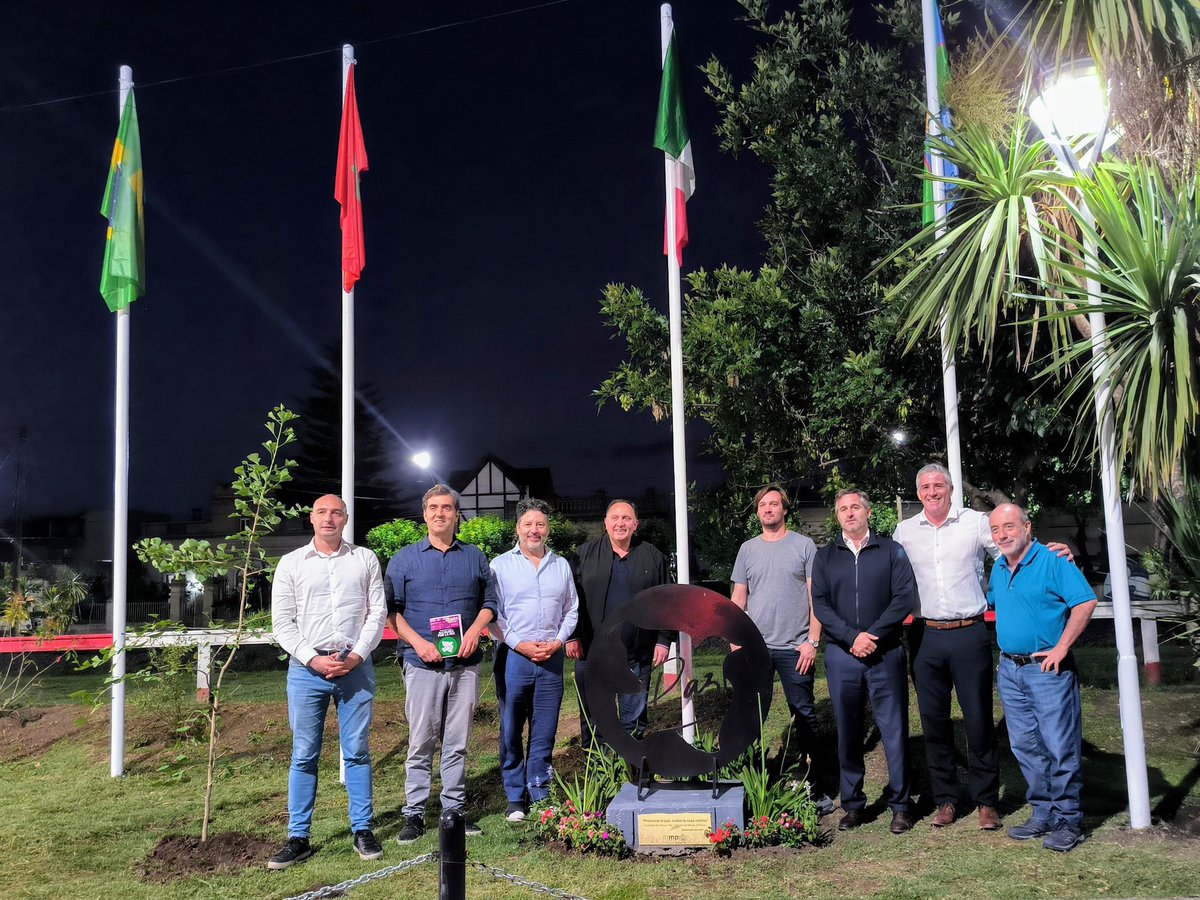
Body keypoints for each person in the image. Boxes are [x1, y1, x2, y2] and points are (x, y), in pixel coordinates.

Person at [268, 494, 388, 870]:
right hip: (307, 671)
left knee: (357, 752)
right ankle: (298, 837)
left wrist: (356, 656)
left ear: (345, 518)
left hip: (356, 668)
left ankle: (362, 829)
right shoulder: (291, 563)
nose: (329, 518)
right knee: (304, 754)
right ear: (312, 518)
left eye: (336, 512)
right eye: (322, 512)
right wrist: (313, 659)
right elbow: (282, 622)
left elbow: (377, 612)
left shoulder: (365, 559)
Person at [892, 463, 1003, 831]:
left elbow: (1009, 554)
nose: (932, 492)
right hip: (925, 636)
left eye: (939, 485)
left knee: (979, 719)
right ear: (918, 492)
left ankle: (986, 801)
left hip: (970, 632)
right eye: (925, 486)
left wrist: (1049, 555)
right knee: (934, 721)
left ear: (951, 489)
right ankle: (945, 799)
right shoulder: (905, 531)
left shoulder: (976, 522)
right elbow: (889, 576)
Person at [387, 484, 498, 843]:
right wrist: (419, 643)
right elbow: (392, 612)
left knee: (457, 742)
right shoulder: (404, 559)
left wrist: (475, 631)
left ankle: (454, 811)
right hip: (422, 664)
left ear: (456, 514)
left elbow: (490, 603)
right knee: (421, 742)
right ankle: (415, 813)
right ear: (424, 514)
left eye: (447, 508)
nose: (440, 513)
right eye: (433, 507)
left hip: (465, 665)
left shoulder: (475, 557)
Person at [988, 503, 1096, 853]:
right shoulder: (999, 568)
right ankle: (1044, 812)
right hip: (1010, 670)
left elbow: (1085, 602)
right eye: (995, 529)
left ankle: (1069, 820)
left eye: (1009, 526)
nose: (1002, 535)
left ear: (1027, 527)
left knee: (1059, 746)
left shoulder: (1054, 561)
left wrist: (1062, 647)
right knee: (1025, 746)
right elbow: (995, 603)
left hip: (1047, 670)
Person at [812, 488, 916, 834]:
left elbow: (904, 598)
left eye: (855, 507)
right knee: (848, 731)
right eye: (843, 508)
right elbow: (820, 603)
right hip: (843, 655)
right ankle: (853, 804)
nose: (849, 513)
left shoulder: (891, 550)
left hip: (886, 653)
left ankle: (901, 805)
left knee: (894, 730)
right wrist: (851, 637)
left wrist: (872, 635)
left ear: (868, 512)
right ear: (838, 516)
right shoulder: (825, 556)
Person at [730, 484, 834, 814]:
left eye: (774, 504)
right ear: (758, 511)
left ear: (785, 509)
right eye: (763, 504)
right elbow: (739, 598)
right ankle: (750, 784)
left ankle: (816, 788)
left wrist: (812, 642)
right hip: (756, 650)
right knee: (750, 717)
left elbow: (816, 598)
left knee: (804, 715)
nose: (768, 509)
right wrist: (735, 641)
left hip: (795, 649)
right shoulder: (747, 549)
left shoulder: (803, 546)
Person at [490, 498, 579, 821]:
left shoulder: (561, 565)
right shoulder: (500, 565)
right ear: (518, 528)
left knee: (545, 728)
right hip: (514, 655)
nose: (534, 530)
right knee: (512, 727)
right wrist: (521, 645)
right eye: (528, 524)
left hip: (551, 657)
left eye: (540, 524)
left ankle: (540, 791)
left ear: (548, 529)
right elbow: (493, 614)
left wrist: (558, 641)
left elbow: (571, 609)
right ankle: (515, 796)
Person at [566, 499, 671, 747]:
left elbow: (666, 600)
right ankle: (599, 765)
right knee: (595, 719)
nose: (620, 523)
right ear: (606, 523)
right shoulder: (583, 555)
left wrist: (664, 639)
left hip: (637, 655)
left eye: (626, 518)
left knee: (633, 721)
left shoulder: (653, 556)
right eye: (615, 518)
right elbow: (568, 599)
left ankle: (629, 765)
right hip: (592, 653)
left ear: (636, 524)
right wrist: (572, 635)